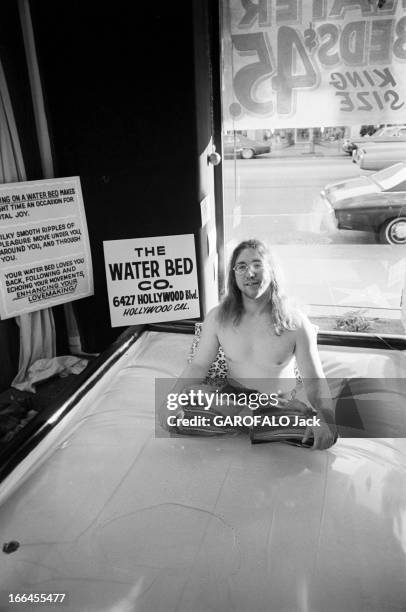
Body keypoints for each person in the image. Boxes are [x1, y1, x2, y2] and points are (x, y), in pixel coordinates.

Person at [165, 239, 337, 450]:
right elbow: (198, 366)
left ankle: (248, 424)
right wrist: (171, 404)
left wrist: (325, 417)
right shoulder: (218, 317)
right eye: (242, 267)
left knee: (321, 436)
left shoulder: (296, 321)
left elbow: (315, 380)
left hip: (278, 406)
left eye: (258, 265)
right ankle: (253, 425)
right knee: (182, 405)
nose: (250, 273)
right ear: (234, 275)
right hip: (233, 401)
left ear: (271, 271)